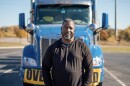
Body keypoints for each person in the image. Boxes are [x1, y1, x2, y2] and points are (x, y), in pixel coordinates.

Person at [42, 18, 93, 86]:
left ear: (74, 30)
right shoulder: (52, 48)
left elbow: (89, 68)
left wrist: (85, 85)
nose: (68, 30)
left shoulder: (82, 47)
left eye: (70, 28)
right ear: (61, 29)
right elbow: (45, 68)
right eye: (65, 27)